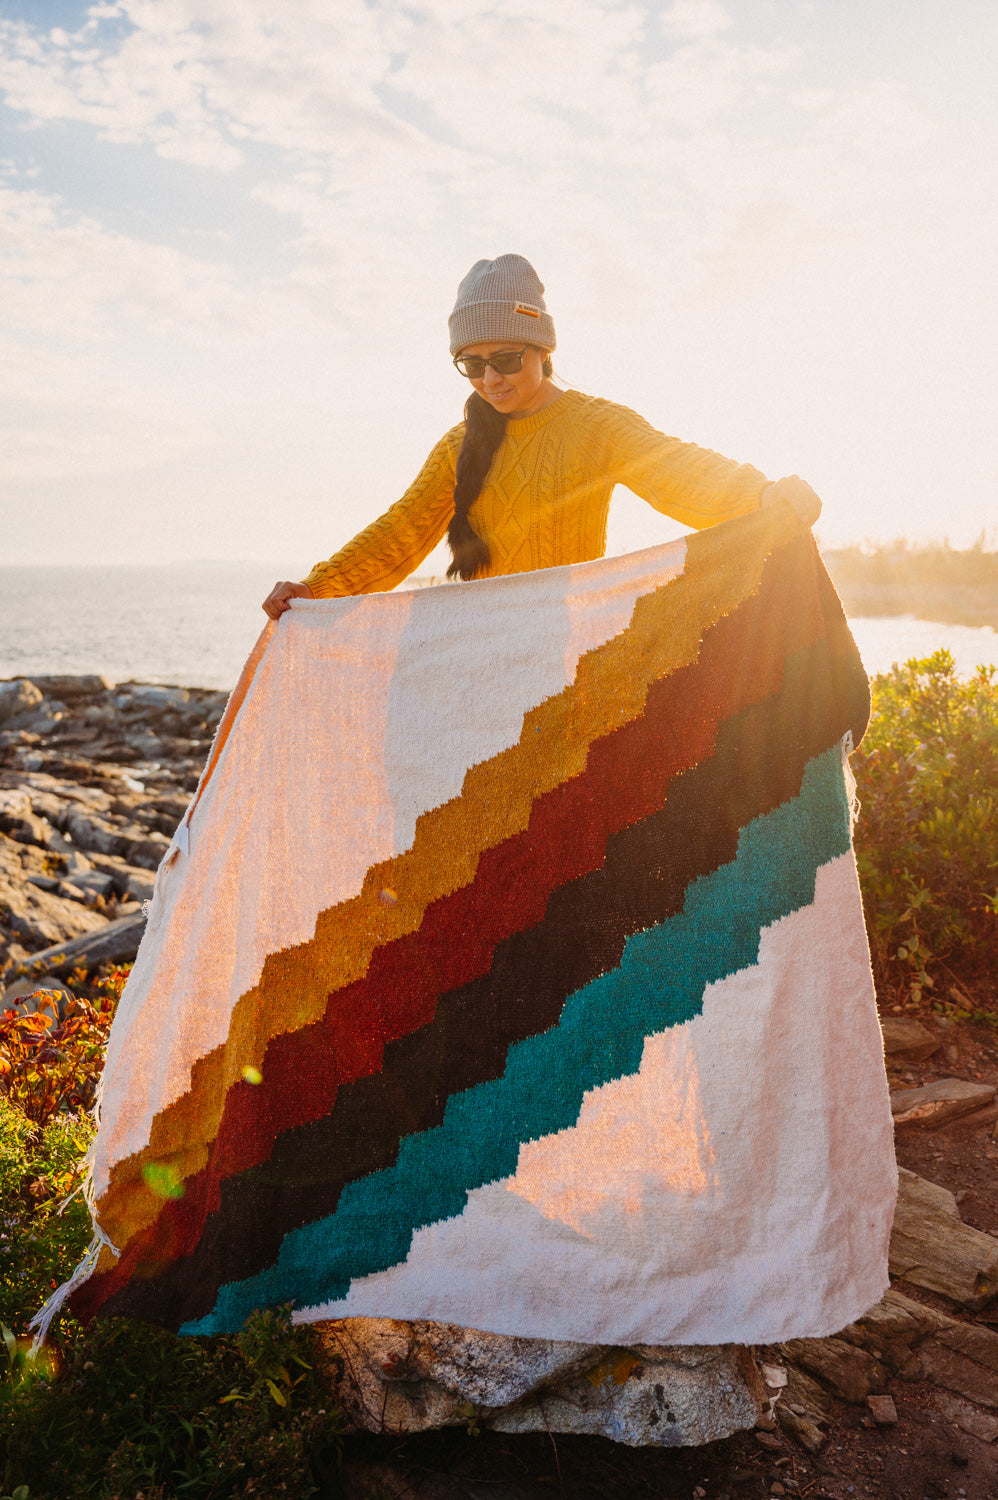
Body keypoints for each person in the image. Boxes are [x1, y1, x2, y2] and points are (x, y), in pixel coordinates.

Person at [263, 253, 820, 618]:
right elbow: (402, 532)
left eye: (505, 357)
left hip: (566, 658)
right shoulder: (459, 447)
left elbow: (675, 468)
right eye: (471, 364)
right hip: (477, 652)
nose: (490, 378)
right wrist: (318, 589)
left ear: (543, 350)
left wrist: (762, 495)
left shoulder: (595, 426)